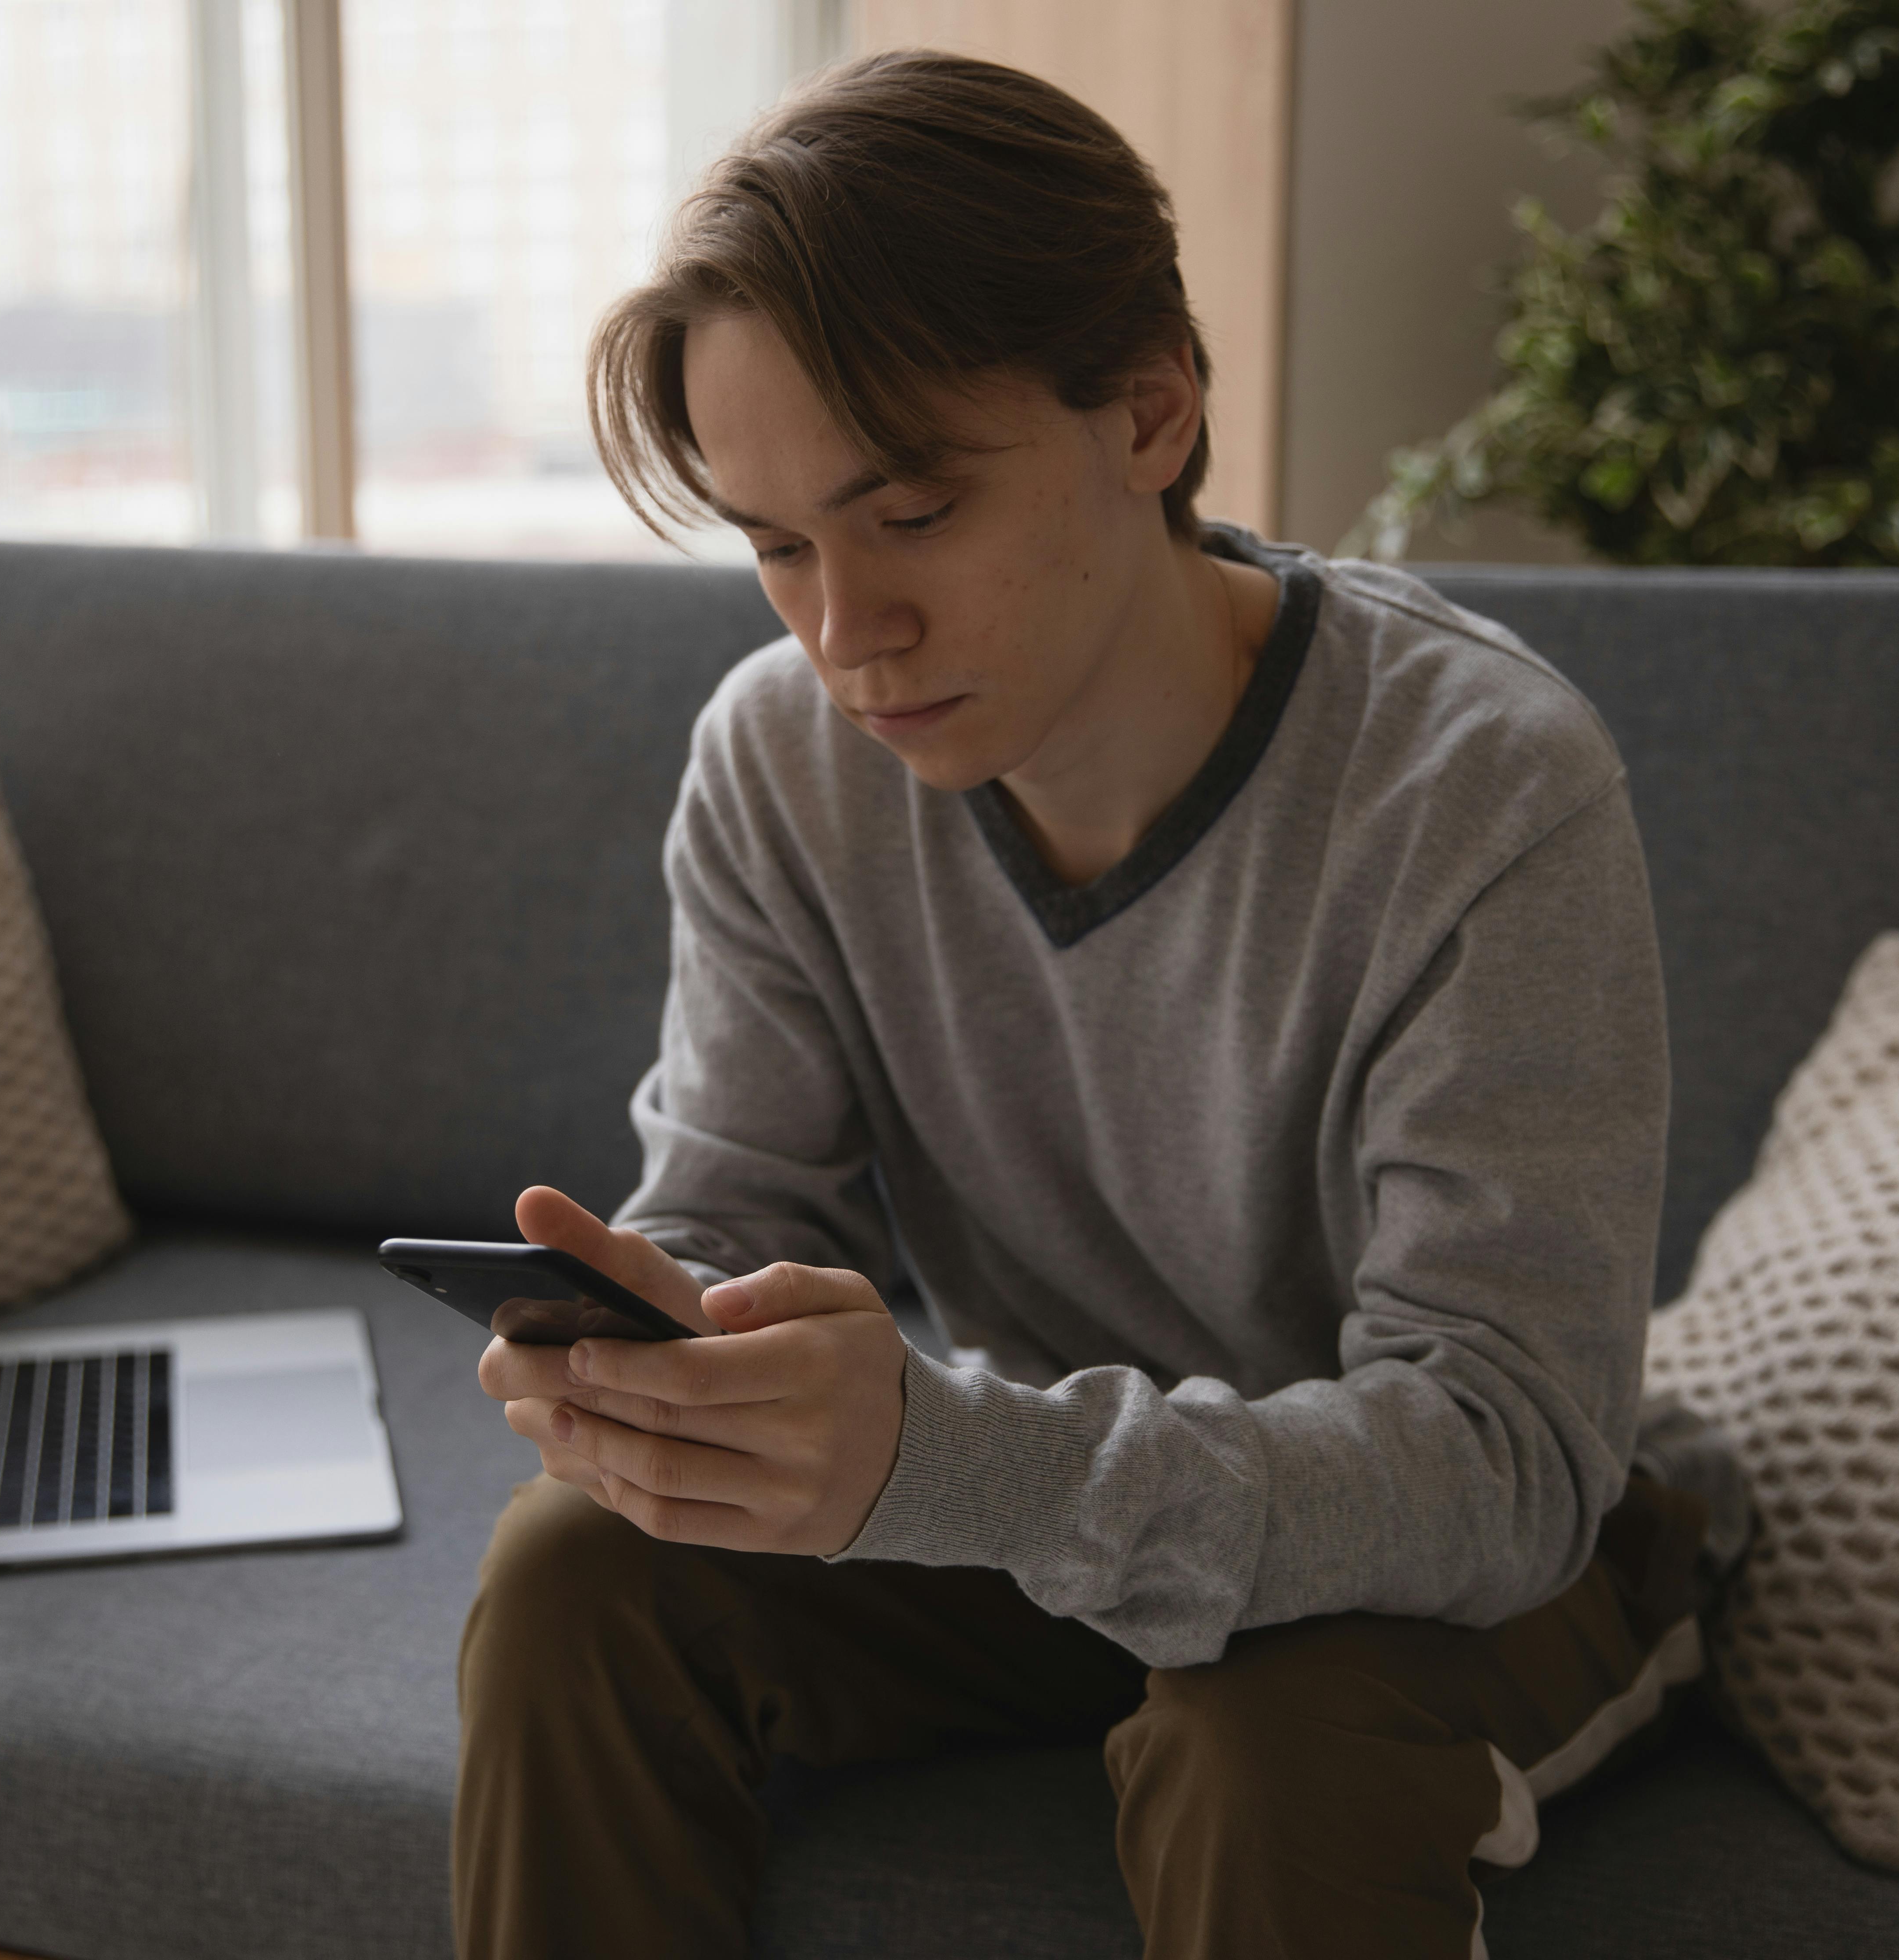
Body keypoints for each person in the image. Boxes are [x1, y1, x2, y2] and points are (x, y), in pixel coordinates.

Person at [458, 48, 1710, 1960]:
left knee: (1265, 1734)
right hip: (1067, 1505)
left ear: (1148, 411)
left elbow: (1504, 1454)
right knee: (578, 1573)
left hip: (1462, 1542)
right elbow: (734, 1205)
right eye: (776, 544)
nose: (839, 634)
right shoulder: (783, 761)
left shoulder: (1482, 785)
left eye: (914, 515)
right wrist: (659, 1364)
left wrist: (965, 1463)